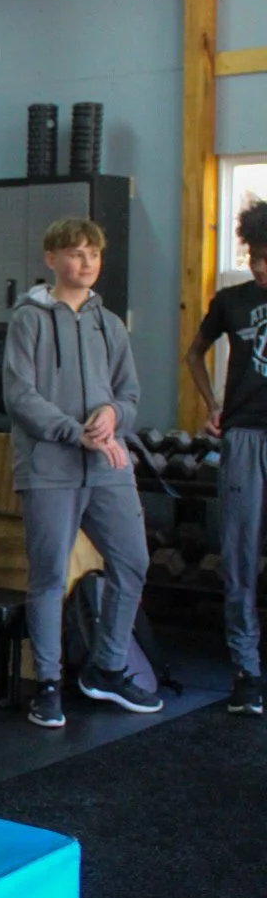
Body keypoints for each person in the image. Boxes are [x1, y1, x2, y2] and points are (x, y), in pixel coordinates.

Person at [3, 216, 161, 729]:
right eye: (74, 253)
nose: (86, 262)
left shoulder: (109, 324)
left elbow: (129, 395)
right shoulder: (28, 319)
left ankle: (108, 667)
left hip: (108, 466)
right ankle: (48, 685)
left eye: (93, 253)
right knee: (49, 576)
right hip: (50, 467)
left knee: (132, 561)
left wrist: (113, 417)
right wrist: (77, 432)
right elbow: (20, 396)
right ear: (52, 259)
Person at [183, 198, 267, 715]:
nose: (261, 267)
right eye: (256, 257)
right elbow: (195, 353)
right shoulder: (232, 302)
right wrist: (212, 405)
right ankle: (247, 672)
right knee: (239, 558)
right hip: (244, 439)